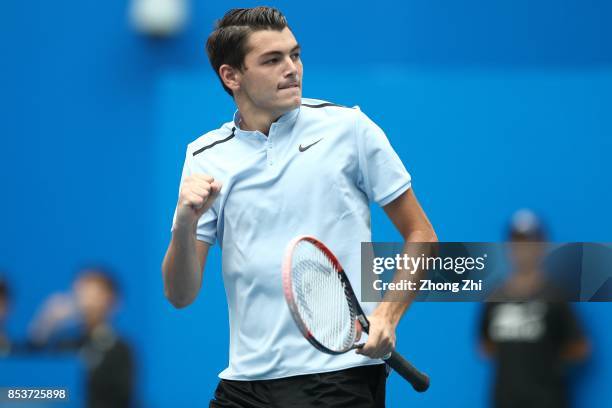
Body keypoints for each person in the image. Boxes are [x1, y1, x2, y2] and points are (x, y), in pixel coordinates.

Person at [162, 7, 436, 407]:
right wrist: (185, 223)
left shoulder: (350, 129)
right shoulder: (203, 156)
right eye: (272, 60)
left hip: (338, 379)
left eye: (295, 54)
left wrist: (387, 317)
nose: (291, 68)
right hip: (244, 385)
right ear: (231, 76)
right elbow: (180, 295)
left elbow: (422, 235)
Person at [480, 210, 590, 408]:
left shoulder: (555, 297)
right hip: (505, 400)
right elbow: (485, 346)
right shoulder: (495, 298)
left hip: (548, 400)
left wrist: (544, 359)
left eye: (529, 243)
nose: (523, 250)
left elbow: (579, 348)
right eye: (517, 242)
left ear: (542, 246)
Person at [29, 266, 134, 408]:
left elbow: (120, 398)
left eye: (93, 294)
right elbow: (34, 382)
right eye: (80, 293)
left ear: (112, 300)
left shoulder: (120, 350)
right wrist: (46, 322)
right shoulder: (65, 343)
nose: (85, 301)